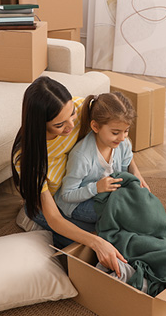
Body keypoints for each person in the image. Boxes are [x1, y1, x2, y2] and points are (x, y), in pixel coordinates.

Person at [11, 76, 125, 275]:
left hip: (81, 187)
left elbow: (117, 135)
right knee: (93, 243)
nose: (71, 126)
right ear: (40, 125)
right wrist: (96, 243)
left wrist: (137, 173)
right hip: (53, 204)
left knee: (116, 221)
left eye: (71, 114)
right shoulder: (27, 158)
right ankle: (30, 216)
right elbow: (54, 217)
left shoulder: (81, 109)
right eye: (59, 125)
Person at [55, 91, 150, 228]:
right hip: (78, 203)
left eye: (126, 131)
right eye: (115, 133)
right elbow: (67, 195)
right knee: (121, 216)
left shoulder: (123, 144)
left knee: (140, 205)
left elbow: (125, 169)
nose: (122, 138)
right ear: (95, 127)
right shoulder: (82, 156)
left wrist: (136, 179)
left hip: (105, 196)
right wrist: (96, 188)